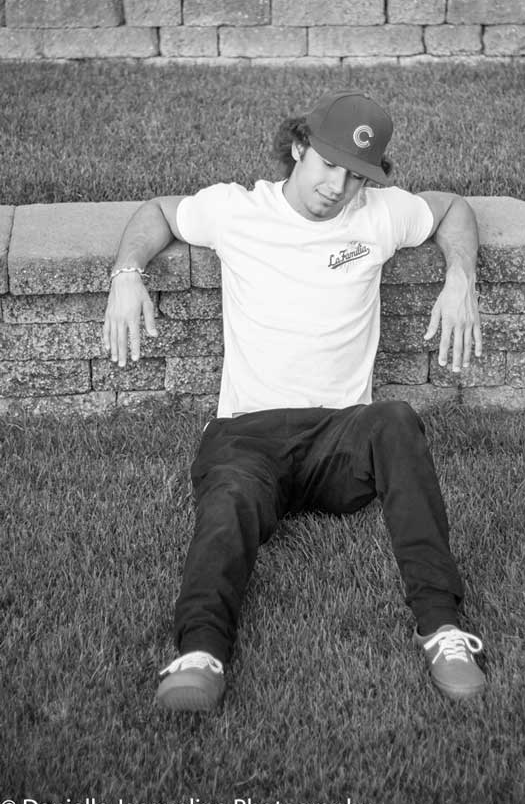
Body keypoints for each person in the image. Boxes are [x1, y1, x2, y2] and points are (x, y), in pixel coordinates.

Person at [103, 90, 485, 712]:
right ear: (299, 147)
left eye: (356, 175)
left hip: (340, 440)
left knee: (394, 419)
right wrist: (126, 277)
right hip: (248, 436)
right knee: (227, 502)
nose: (338, 186)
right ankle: (200, 651)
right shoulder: (237, 209)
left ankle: (442, 628)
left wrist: (460, 280)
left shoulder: (381, 215)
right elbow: (158, 213)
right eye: (328, 164)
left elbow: (453, 211)